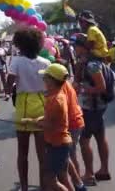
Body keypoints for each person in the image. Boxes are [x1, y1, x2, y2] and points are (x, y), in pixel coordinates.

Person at [8, 29, 50, 191]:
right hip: (42, 104)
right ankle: (43, 186)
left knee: (22, 153)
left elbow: (9, 82)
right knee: (42, 155)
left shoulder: (17, 61)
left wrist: (8, 87)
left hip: (24, 105)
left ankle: (24, 187)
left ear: (20, 44)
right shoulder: (46, 63)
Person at [74, 34, 111, 186]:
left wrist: (83, 89)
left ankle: (89, 175)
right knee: (100, 137)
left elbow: (101, 87)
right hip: (94, 107)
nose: (74, 48)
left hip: (92, 107)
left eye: (76, 45)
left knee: (84, 141)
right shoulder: (86, 63)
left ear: (83, 47)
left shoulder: (92, 65)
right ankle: (104, 170)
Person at [37, 63, 74, 191]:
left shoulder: (55, 100)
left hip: (58, 144)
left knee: (50, 180)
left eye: (45, 78)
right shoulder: (58, 96)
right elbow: (54, 119)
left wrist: (38, 123)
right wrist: (41, 120)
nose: (43, 80)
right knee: (60, 177)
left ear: (52, 81)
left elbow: (50, 124)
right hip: (58, 143)